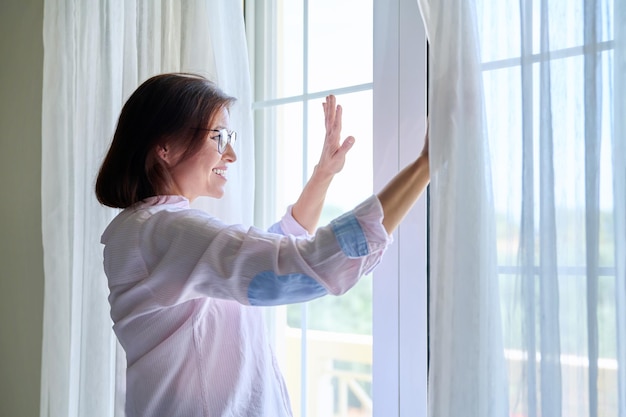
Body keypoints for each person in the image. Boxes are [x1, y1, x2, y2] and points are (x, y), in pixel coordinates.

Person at [95, 72, 429, 417]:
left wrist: (323, 174)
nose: (231, 154)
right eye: (219, 137)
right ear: (165, 147)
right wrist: (424, 165)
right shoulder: (165, 231)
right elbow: (297, 269)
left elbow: (270, 255)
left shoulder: (146, 230)